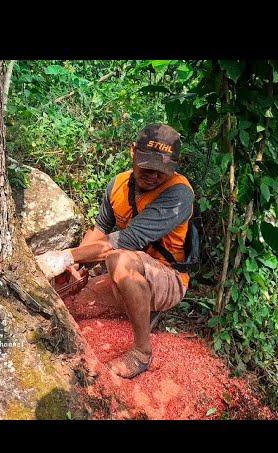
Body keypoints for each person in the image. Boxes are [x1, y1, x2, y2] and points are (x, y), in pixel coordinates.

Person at [36, 123, 195, 379]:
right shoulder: (118, 185)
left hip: (168, 278)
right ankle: (139, 304)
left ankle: (142, 353)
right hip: (129, 268)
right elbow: (101, 229)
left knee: (120, 260)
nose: (152, 175)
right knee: (75, 304)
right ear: (133, 153)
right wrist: (78, 265)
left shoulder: (178, 193)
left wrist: (65, 256)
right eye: (147, 166)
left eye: (161, 170)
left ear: (174, 167)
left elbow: (128, 240)